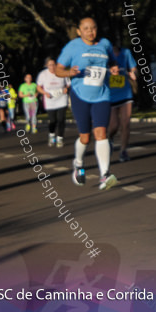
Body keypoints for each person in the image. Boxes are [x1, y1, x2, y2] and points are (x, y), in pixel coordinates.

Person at [54, 17, 120, 190]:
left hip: (102, 95)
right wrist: (69, 72)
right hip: (80, 95)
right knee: (85, 136)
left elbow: (112, 61)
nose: (90, 31)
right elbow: (57, 69)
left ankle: (104, 175)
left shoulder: (105, 44)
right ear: (79, 31)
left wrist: (113, 68)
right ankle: (78, 164)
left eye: (93, 28)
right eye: (86, 28)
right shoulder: (73, 46)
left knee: (101, 133)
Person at [107, 44, 138, 162]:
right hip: (110, 94)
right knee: (114, 125)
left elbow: (133, 68)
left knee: (125, 123)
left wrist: (133, 73)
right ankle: (109, 139)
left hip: (125, 92)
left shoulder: (126, 52)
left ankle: (123, 151)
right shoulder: (104, 54)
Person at [38, 58, 70, 146]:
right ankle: (51, 135)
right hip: (50, 100)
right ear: (47, 66)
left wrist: (66, 89)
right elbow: (39, 87)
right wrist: (45, 93)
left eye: (53, 64)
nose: (52, 67)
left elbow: (68, 84)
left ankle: (60, 138)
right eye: (50, 65)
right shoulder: (43, 74)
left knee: (61, 119)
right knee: (53, 120)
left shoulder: (61, 72)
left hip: (61, 98)